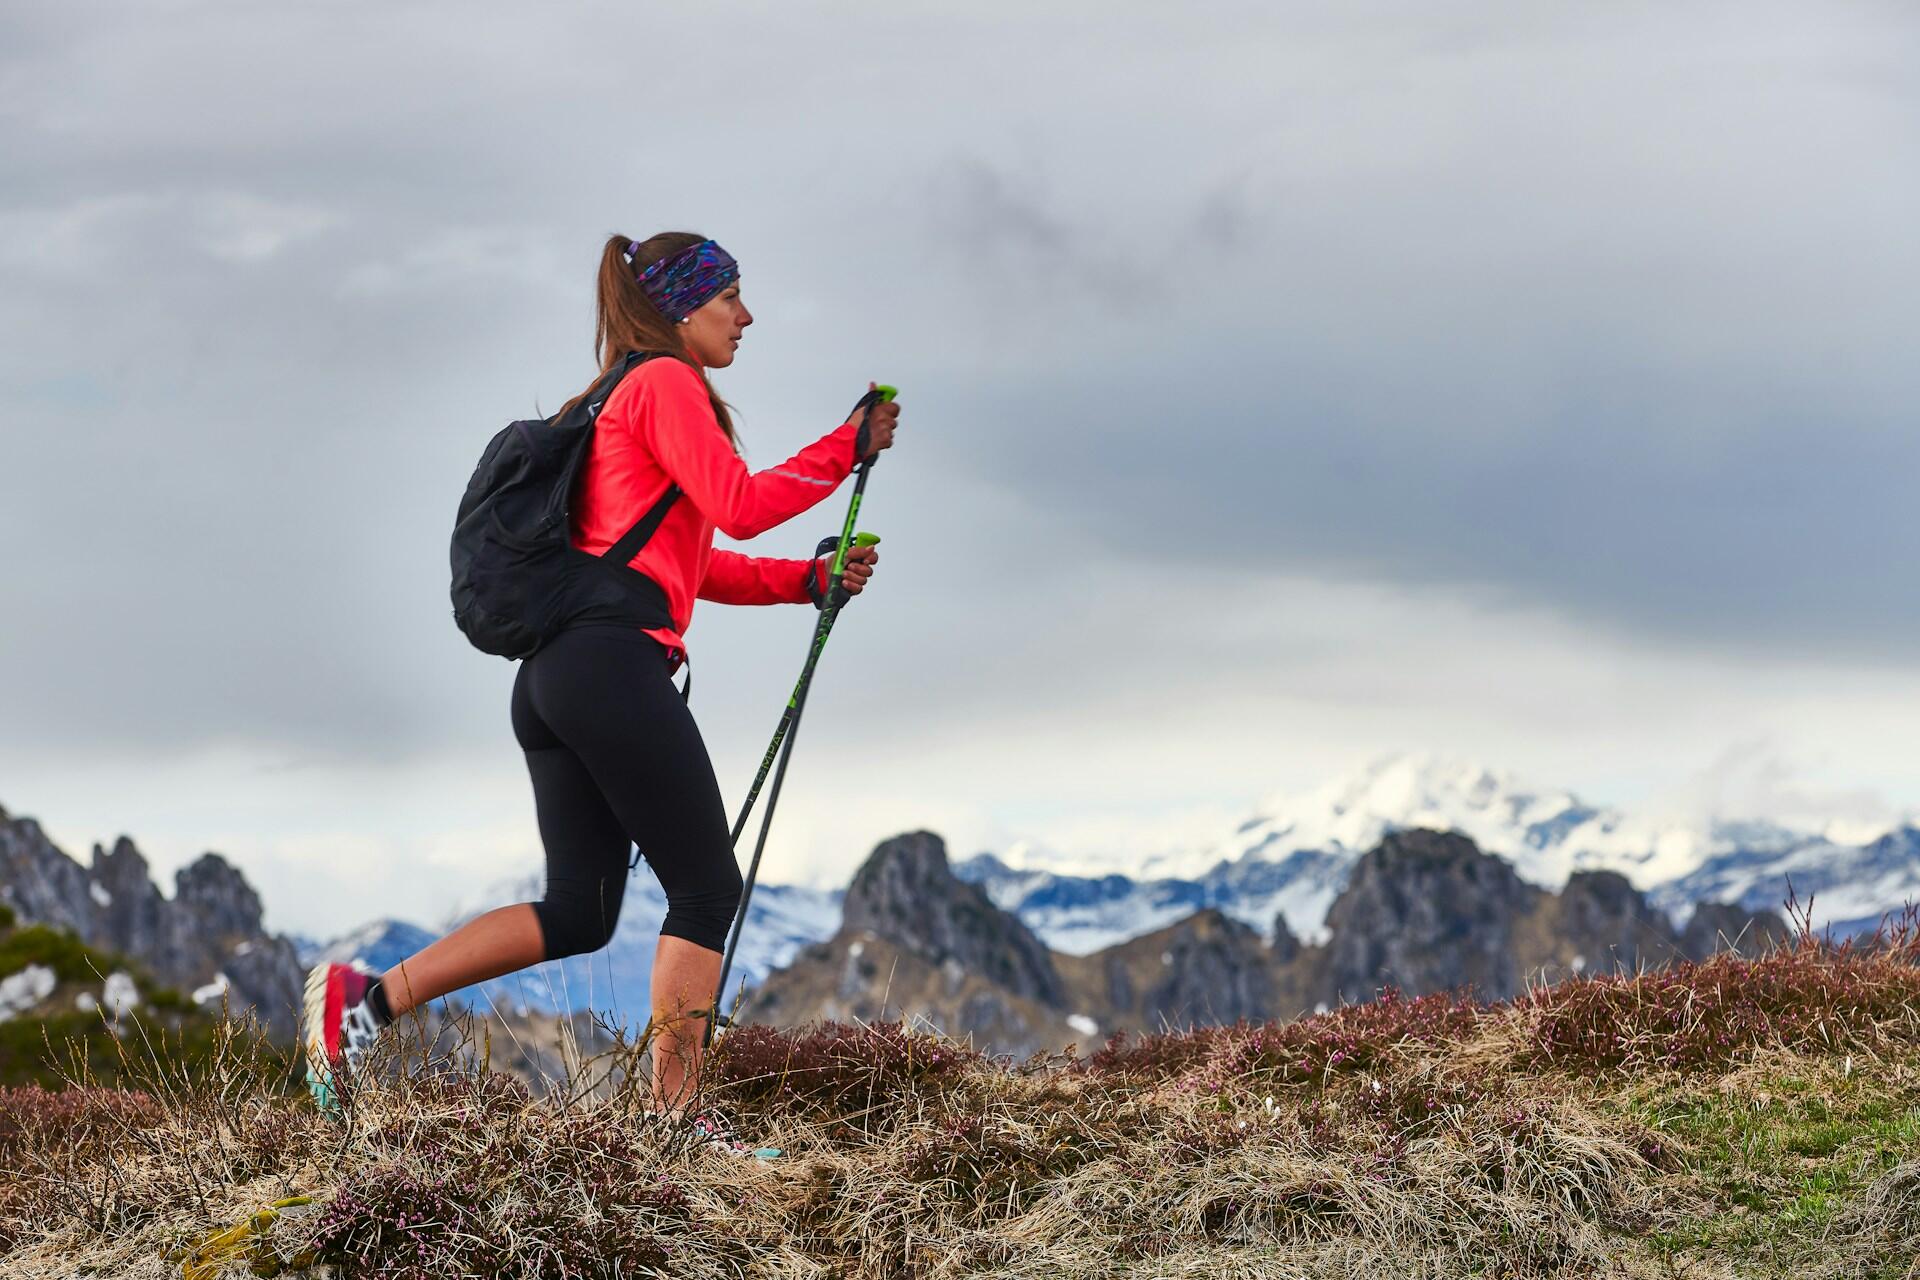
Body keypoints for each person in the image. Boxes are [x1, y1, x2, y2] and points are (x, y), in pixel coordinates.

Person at [300, 231, 899, 1155]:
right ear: (680, 306)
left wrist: (803, 583)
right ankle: (676, 1126)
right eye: (730, 296)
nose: (746, 316)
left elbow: (688, 565)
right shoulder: (664, 384)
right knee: (705, 886)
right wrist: (844, 447)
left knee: (581, 911)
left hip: (555, 679)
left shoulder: (618, 398)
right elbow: (739, 502)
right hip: (611, 668)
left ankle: (365, 1001)